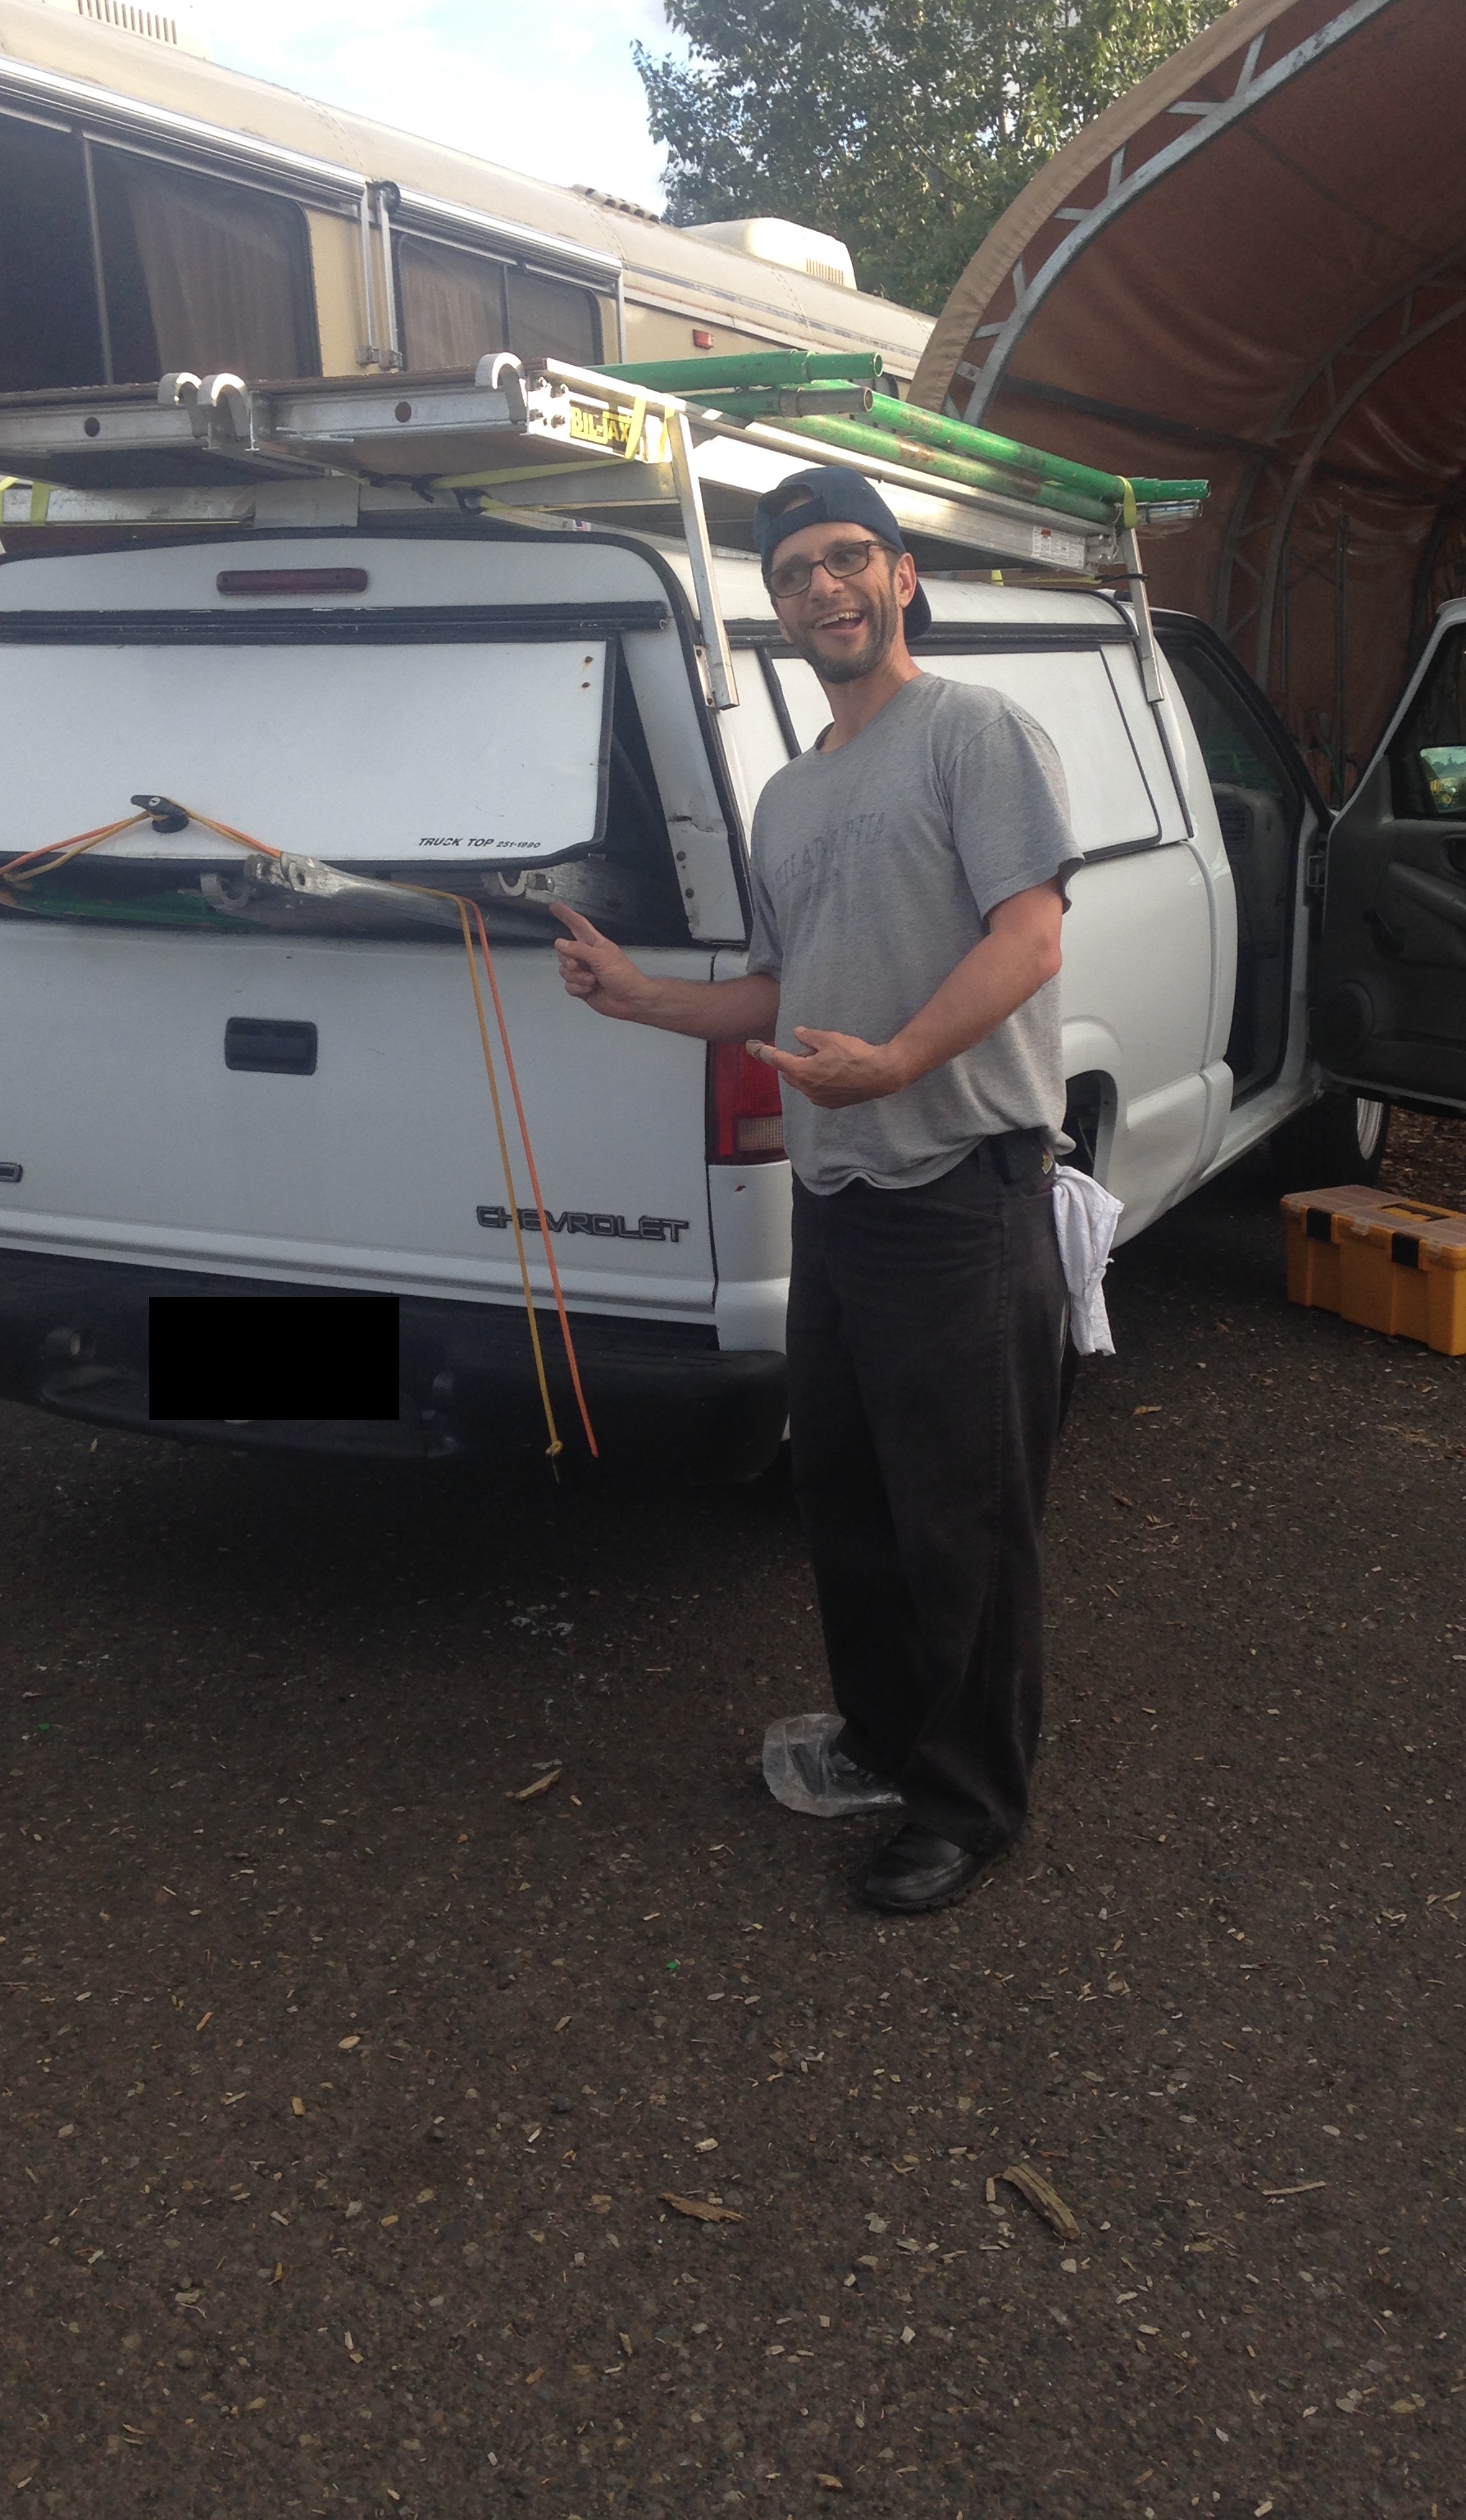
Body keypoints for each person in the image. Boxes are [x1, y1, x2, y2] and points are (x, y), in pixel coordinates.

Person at [552, 466, 1078, 1914]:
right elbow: (780, 990)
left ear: (902, 576)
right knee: (845, 1495)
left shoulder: (974, 734)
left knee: (964, 1517)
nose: (823, 590)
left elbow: (1029, 939)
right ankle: (880, 1737)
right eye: (794, 574)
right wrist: (642, 995)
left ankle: (969, 1805)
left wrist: (899, 1059)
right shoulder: (788, 795)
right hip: (843, 1200)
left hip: (964, 1196)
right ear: (775, 605)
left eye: (849, 560)